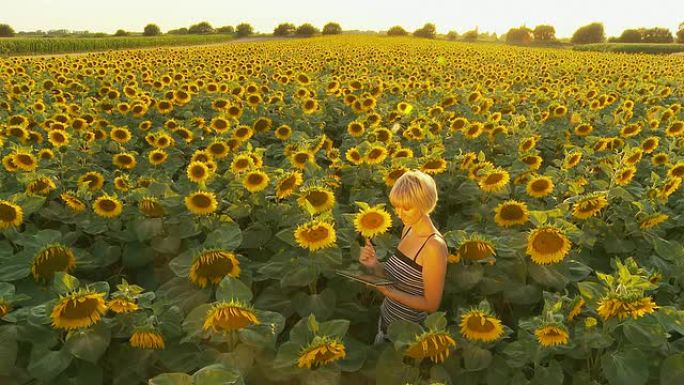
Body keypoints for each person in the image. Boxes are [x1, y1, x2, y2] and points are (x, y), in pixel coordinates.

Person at [358, 170, 448, 345]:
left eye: (406, 207)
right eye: (396, 206)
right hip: (386, 321)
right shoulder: (409, 228)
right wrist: (375, 264)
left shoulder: (434, 246)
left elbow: (431, 304)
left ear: (424, 204)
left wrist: (389, 292)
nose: (399, 213)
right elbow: (396, 278)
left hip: (408, 336)